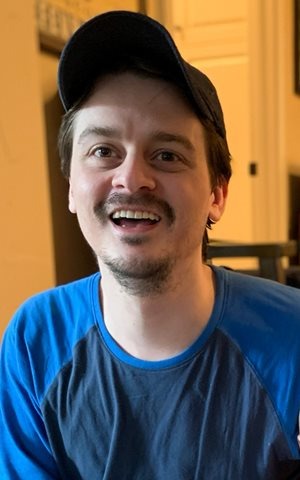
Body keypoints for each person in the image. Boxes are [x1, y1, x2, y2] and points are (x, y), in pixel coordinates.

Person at [0, 10, 300, 480]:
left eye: (167, 154)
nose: (132, 178)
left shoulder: (293, 337)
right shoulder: (34, 342)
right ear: (71, 187)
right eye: (104, 151)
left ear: (217, 195)